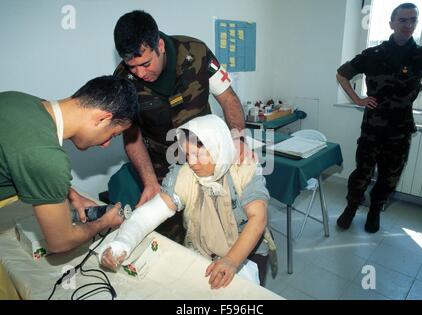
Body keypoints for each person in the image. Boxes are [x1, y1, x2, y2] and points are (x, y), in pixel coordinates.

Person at [107, 11, 248, 242]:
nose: (140, 73)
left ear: (160, 45)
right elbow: (132, 136)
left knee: (215, 229)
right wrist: (150, 181)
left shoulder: (197, 52)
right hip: (161, 166)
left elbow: (229, 99)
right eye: (132, 67)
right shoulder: (124, 79)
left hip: (206, 158)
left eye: (145, 63)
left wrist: (237, 140)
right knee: (168, 236)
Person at [99, 115, 276, 288]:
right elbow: (147, 216)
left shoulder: (244, 170)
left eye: (198, 155)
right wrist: (122, 243)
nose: (191, 163)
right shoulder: (185, 175)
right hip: (203, 254)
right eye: (188, 154)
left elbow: (258, 218)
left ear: (218, 149)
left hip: (246, 255)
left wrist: (231, 260)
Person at [0, 75, 139, 253]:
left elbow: (19, 156)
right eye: (113, 135)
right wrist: (104, 222)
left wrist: (69, 192)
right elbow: (60, 242)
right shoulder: (47, 157)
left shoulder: (18, 99)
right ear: (103, 119)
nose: (106, 145)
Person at [336, 2, 422, 233]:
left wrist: (421, 87)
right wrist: (357, 99)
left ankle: (374, 212)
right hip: (372, 128)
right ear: (391, 23)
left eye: (413, 20)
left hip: (401, 129)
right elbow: (342, 74)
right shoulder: (373, 54)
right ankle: (351, 208)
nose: (408, 24)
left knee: (389, 176)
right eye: (402, 20)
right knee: (362, 172)